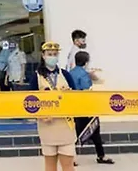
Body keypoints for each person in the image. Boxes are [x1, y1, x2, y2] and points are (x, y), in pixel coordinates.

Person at [27, 42, 76, 171]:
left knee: (68, 166)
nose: (52, 57)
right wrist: (40, 115)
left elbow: (77, 98)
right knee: (50, 167)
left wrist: (69, 94)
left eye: (55, 54)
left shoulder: (65, 74)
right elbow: (29, 102)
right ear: (43, 56)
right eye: (49, 54)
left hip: (65, 125)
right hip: (47, 126)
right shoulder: (36, 77)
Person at [70, 51, 114, 165]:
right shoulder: (85, 74)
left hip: (73, 106)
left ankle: (72, 158)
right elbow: (87, 90)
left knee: (75, 132)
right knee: (94, 130)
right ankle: (101, 156)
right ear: (86, 62)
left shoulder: (70, 73)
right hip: (86, 106)